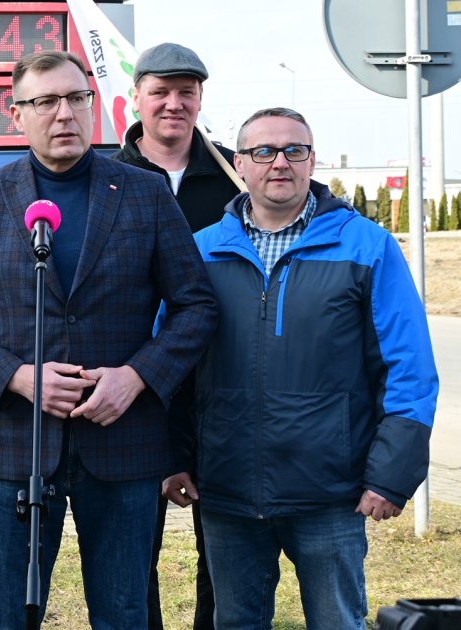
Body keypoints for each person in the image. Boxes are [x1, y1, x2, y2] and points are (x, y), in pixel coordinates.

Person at [0, 51, 218, 629]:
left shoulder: (145, 193)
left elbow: (196, 306)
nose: (64, 114)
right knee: (11, 612)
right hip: (15, 445)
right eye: (46, 102)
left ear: (93, 108)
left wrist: (137, 377)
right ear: (17, 115)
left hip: (125, 445)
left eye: (76, 99)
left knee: (125, 612)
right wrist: (16, 376)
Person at [162, 107, 438, 628]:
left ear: (313, 160)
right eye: (263, 151)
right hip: (227, 490)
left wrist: (393, 474)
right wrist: (169, 457)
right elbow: (169, 366)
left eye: (295, 150)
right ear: (239, 163)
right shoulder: (200, 252)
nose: (280, 162)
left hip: (330, 493)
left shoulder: (367, 246)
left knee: (337, 621)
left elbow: (410, 369)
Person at [111, 42, 241, 630]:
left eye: (186, 92)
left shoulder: (236, 176)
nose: (173, 103)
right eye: (160, 91)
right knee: (135, 550)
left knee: (226, 548)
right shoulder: (104, 180)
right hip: (136, 385)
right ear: (136, 97)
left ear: (199, 99)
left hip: (223, 382)